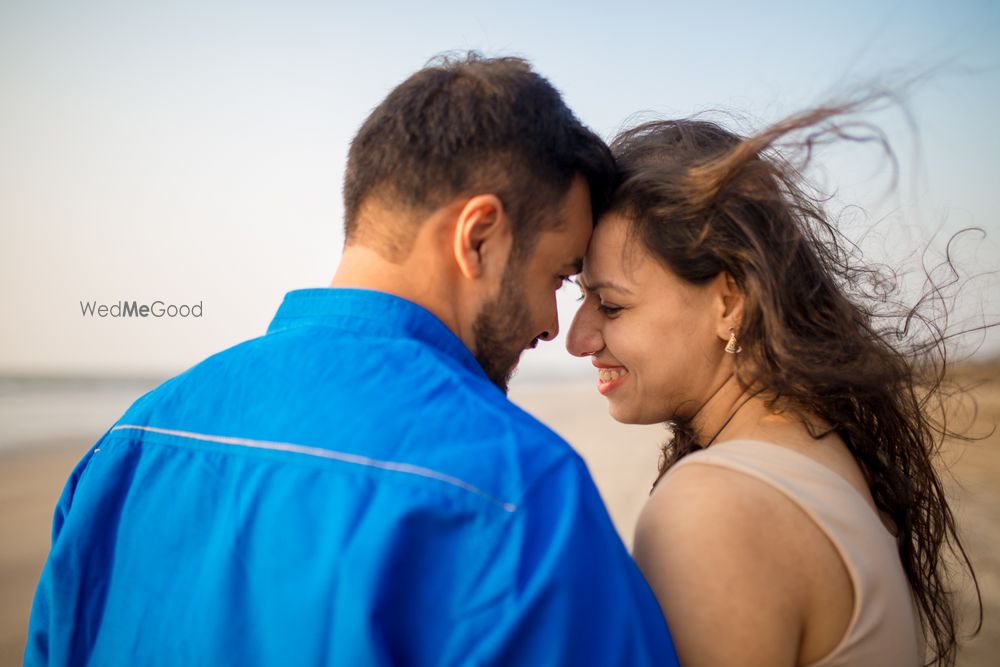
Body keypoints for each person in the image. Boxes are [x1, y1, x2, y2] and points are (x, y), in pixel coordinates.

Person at [26, 54, 678, 666]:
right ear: (479, 236)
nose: (550, 324)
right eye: (557, 275)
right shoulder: (519, 491)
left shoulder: (132, 442)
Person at [567, 104, 980, 666]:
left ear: (730, 302)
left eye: (610, 304)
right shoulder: (819, 449)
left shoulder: (715, 508)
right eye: (582, 297)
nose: (579, 338)